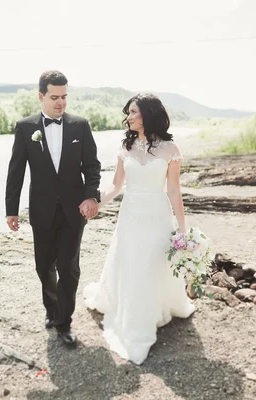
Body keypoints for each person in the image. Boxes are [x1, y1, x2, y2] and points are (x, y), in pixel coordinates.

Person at [83, 93, 195, 364]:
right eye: (129, 112)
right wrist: (96, 203)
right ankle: (132, 316)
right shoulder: (125, 146)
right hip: (130, 216)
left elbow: (174, 190)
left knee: (152, 263)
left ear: (149, 114)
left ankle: (153, 311)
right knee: (132, 263)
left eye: (134, 112)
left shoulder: (170, 149)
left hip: (157, 215)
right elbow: (116, 185)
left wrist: (182, 228)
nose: (129, 117)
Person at [5, 70, 101, 345]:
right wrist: (11, 210)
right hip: (42, 210)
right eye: (55, 97)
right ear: (41, 96)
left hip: (74, 211)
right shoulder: (25, 128)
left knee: (69, 267)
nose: (61, 102)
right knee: (43, 265)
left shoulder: (80, 125)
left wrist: (91, 196)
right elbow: (16, 171)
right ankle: (52, 309)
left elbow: (92, 166)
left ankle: (64, 322)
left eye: (65, 97)